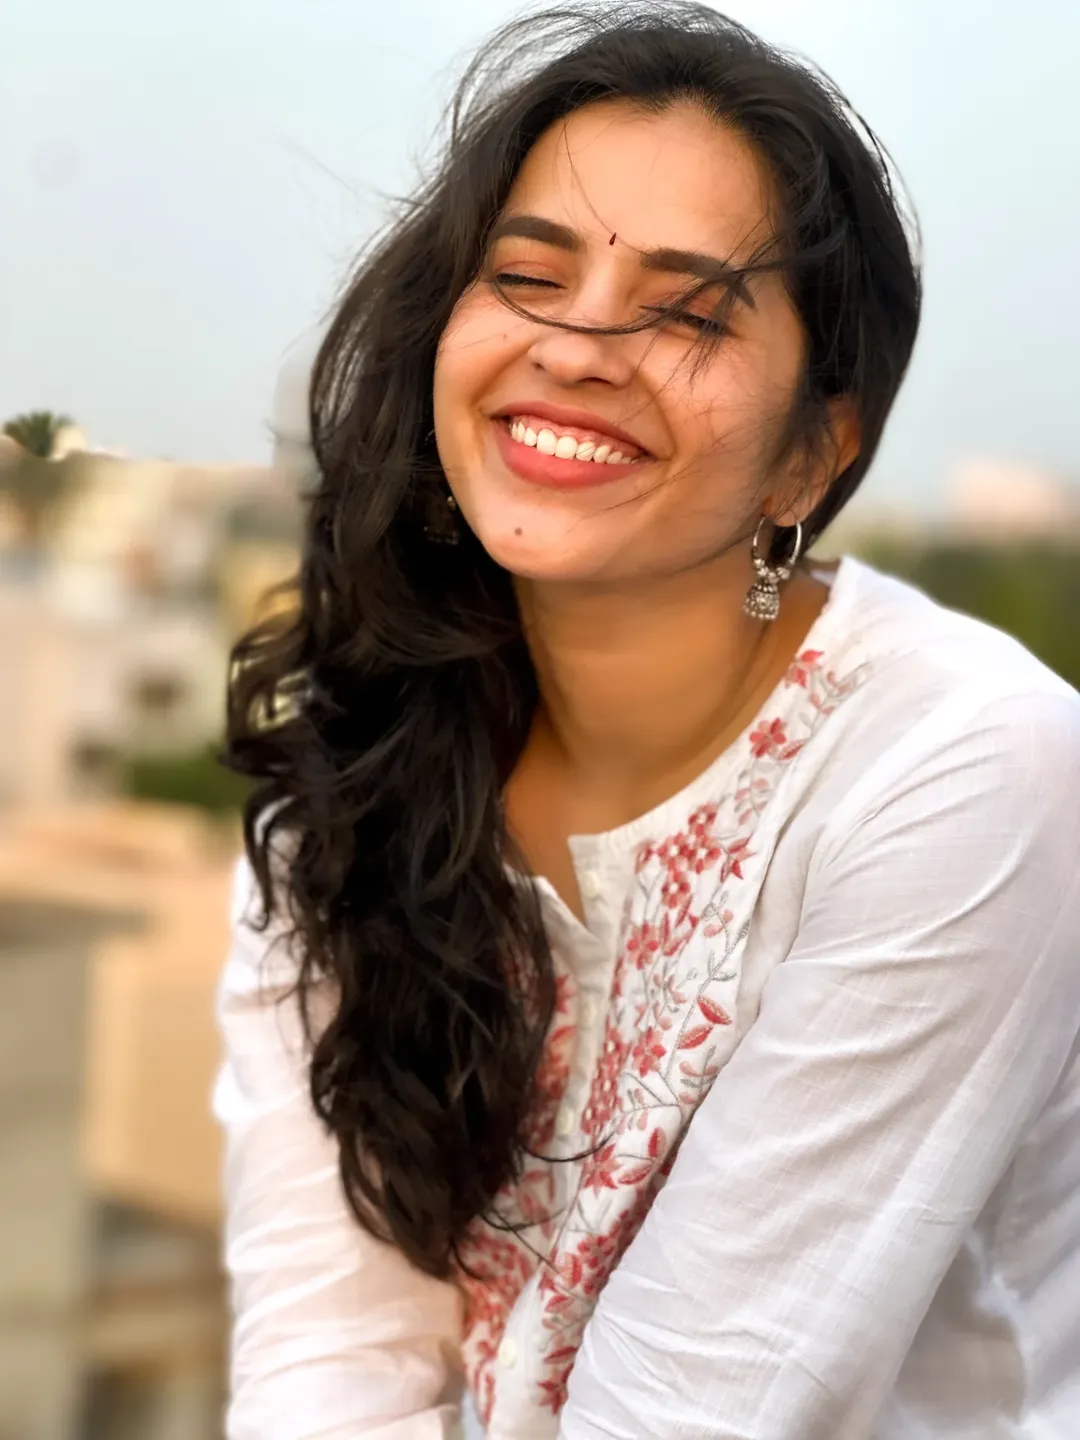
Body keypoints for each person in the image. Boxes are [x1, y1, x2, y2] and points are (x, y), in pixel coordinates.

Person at [214, 5, 1080, 1437]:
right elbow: (331, 1359)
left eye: (687, 311)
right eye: (526, 276)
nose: (576, 348)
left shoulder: (958, 771)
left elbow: (702, 1407)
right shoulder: (358, 769)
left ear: (812, 454)